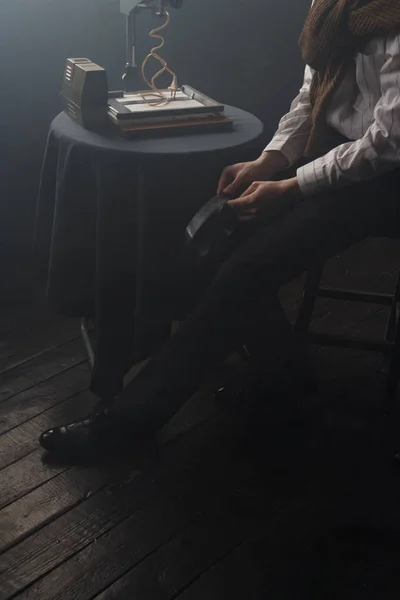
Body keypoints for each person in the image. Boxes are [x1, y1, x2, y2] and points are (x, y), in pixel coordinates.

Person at [40, 0, 400, 454]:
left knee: (248, 268)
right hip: (338, 153)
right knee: (214, 235)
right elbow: (312, 97)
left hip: (388, 177)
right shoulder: (333, 8)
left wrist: (291, 188)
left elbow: (388, 142)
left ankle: (129, 420)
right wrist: (268, 161)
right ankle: (286, 383)